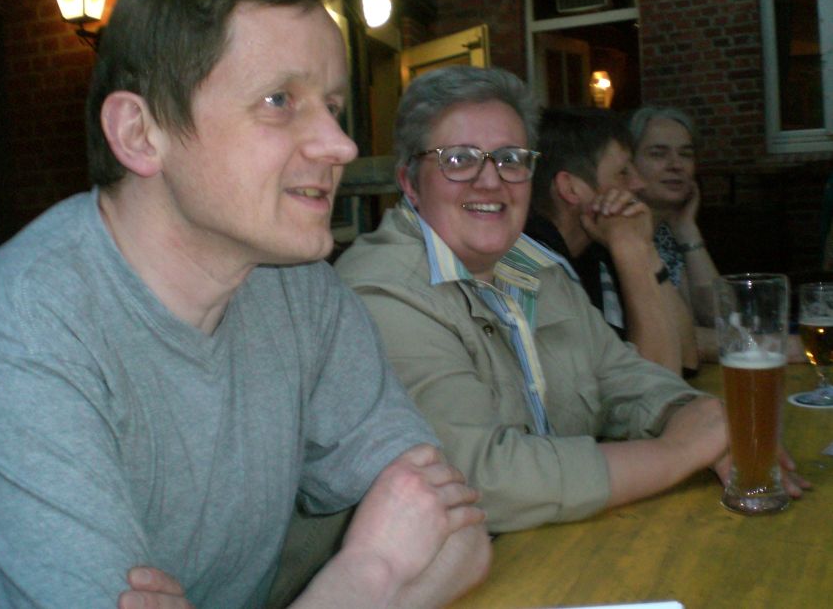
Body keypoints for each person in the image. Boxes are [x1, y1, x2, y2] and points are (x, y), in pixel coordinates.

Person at [0, 0, 491, 608]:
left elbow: (457, 533)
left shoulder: (300, 290)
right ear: (140, 133)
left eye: (332, 107)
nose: (341, 145)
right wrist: (369, 573)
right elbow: (404, 553)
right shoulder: (21, 329)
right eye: (280, 101)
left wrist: (374, 572)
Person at [334, 65, 807, 533]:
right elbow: (478, 479)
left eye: (510, 158)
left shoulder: (532, 265)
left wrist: (691, 414)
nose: (491, 180)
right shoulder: (381, 292)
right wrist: (678, 451)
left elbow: (620, 373)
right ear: (410, 181)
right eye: (458, 160)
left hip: (567, 542)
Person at [524, 107, 698, 376]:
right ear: (571, 188)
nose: (639, 184)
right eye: (623, 173)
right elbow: (657, 382)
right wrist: (631, 251)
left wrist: (645, 249)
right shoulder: (535, 269)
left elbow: (687, 358)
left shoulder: (597, 249)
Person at [629, 105, 806, 363]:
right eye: (658, 154)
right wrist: (776, 347)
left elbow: (722, 317)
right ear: (628, 165)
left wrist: (687, 230)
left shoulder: (667, 231)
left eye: (686, 154)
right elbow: (669, 339)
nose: (676, 165)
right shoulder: (617, 232)